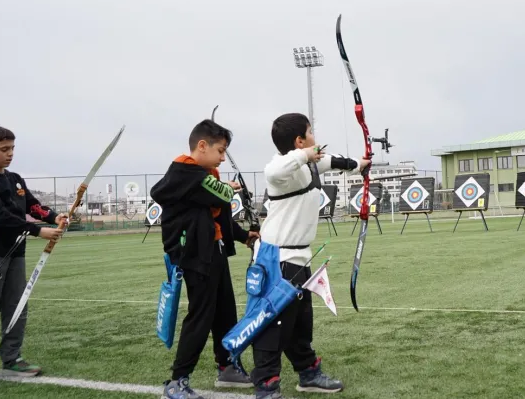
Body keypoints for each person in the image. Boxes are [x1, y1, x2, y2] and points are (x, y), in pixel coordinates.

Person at [250, 113, 368, 399]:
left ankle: (308, 373)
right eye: (310, 132)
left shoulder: (308, 165)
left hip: (299, 258)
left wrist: (359, 165)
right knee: (273, 325)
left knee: (300, 323)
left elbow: (332, 161)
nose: (315, 136)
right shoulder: (282, 170)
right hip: (275, 260)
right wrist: (305, 154)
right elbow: (274, 171)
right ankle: (266, 386)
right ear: (300, 140)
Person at [151, 119, 260, 399]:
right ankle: (177, 381)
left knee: (224, 311)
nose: (223, 158)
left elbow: (220, 215)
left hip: (214, 250)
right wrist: (230, 187)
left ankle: (226, 366)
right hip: (196, 254)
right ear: (202, 145)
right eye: (220, 151)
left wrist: (244, 235)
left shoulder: (205, 175)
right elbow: (223, 194)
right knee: (201, 314)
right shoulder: (185, 173)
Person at [0, 125, 67, 382]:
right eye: (3, 149)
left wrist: (55, 217)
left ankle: (12, 359)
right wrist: (36, 231)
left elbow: (32, 204)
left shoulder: (15, 179)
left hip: (16, 254)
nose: (10, 154)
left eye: (12, 148)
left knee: (17, 307)